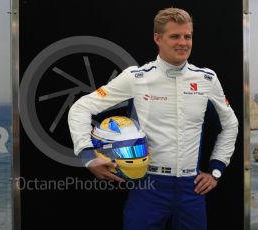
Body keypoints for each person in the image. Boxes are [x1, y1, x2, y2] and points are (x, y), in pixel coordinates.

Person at [68, 7, 238, 230]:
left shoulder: (207, 78)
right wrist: (87, 155)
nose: (183, 43)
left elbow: (230, 124)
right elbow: (81, 107)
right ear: (158, 38)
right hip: (148, 186)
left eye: (188, 36)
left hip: (192, 188)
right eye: (175, 36)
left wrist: (216, 170)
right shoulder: (136, 77)